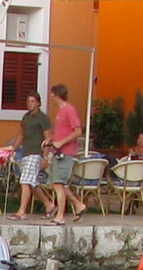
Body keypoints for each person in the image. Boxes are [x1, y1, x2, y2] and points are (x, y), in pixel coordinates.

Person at [43, 83, 87, 224]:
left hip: (65, 152)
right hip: (57, 152)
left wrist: (61, 143)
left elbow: (78, 131)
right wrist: (51, 139)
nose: (52, 99)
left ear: (57, 95)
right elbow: (61, 132)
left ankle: (60, 216)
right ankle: (78, 204)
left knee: (58, 183)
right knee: (56, 183)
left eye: (52, 96)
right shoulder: (60, 112)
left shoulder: (69, 110)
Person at [7, 91, 52, 220]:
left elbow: (48, 138)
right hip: (26, 152)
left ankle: (22, 211)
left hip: (36, 153)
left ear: (38, 103)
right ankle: (48, 204)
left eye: (32, 101)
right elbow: (21, 134)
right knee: (31, 182)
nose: (30, 104)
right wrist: (13, 148)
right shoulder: (26, 117)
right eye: (28, 101)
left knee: (25, 180)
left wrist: (45, 156)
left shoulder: (42, 118)